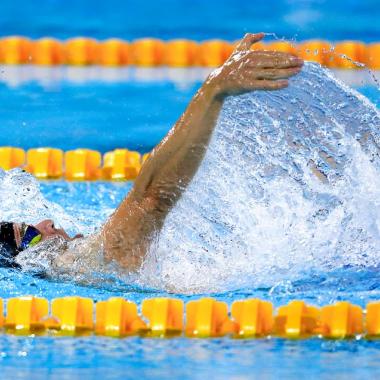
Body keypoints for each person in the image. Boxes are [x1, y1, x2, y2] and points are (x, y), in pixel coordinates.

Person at [12, 33, 304, 273]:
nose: (45, 223)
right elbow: (153, 197)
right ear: (25, 261)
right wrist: (214, 91)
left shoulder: (84, 266)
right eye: (29, 234)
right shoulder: (81, 264)